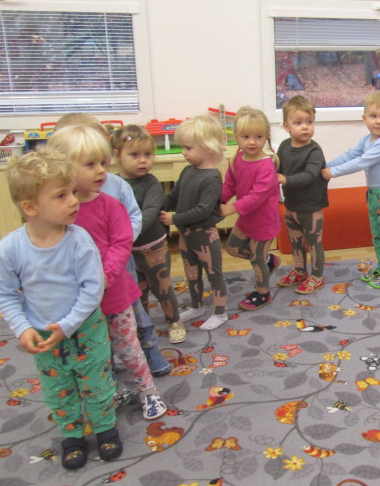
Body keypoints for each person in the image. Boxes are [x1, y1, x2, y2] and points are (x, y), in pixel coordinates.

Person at [0, 148, 121, 469]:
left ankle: (105, 428)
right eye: (62, 196)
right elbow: (5, 294)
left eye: (73, 192)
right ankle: (72, 436)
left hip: (86, 330)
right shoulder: (10, 248)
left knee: (97, 382)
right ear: (30, 207)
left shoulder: (79, 240)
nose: (74, 201)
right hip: (44, 337)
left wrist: (68, 325)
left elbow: (92, 289)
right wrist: (23, 328)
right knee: (58, 389)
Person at [48, 125, 167, 421]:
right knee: (93, 351)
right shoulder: (58, 211)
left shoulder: (110, 205)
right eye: (90, 164)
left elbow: (122, 242)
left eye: (103, 162)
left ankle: (148, 390)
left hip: (112, 293)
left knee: (128, 346)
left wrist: (104, 277)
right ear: (64, 168)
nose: (101, 170)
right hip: (77, 301)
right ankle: (108, 392)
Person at [112, 124, 186, 343]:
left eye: (147, 154)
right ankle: (142, 325)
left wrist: (124, 233)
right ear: (117, 155)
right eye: (134, 155)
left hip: (153, 247)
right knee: (138, 290)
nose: (143, 160)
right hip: (128, 250)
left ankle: (174, 321)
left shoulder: (151, 183)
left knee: (162, 288)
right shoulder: (113, 184)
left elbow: (151, 212)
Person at [322, 90, 380, 289]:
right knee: (377, 235)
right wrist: (326, 165)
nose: (378, 121)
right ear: (364, 118)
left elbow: (360, 162)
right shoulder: (367, 140)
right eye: (373, 116)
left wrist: (333, 172)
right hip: (374, 194)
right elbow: (351, 155)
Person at [159, 114, 228, 329]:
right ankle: (196, 306)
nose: (183, 152)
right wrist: (159, 208)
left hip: (205, 236)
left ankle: (220, 313)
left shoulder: (212, 177)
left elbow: (203, 211)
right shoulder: (188, 170)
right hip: (186, 236)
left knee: (214, 275)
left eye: (188, 148)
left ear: (207, 147)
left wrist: (174, 218)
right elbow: (174, 196)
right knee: (191, 273)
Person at [220, 107, 282, 309]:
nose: (252, 142)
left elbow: (257, 197)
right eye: (246, 137)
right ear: (236, 137)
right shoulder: (237, 158)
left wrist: (231, 208)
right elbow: (230, 185)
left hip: (264, 223)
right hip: (247, 220)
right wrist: (218, 200)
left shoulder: (266, 165)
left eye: (258, 137)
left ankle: (263, 293)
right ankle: (267, 261)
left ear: (266, 137)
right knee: (233, 248)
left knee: (256, 260)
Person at [276, 96, 329, 294]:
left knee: (314, 243)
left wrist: (285, 179)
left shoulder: (314, 150)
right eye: (298, 123)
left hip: (311, 206)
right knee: (295, 242)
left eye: (309, 122)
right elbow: (276, 167)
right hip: (291, 205)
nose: (305, 127)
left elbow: (309, 176)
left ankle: (317, 276)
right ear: (286, 126)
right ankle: (300, 271)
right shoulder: (284, 146)